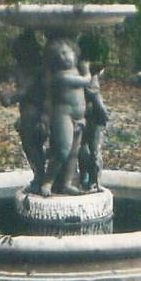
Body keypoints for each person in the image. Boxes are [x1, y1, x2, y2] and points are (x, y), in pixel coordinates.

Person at [0, 29, 48, 193]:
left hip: (37, 111)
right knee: (31, 147)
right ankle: (39, 175)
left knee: (32, 145)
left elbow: (26, 91)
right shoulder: (22, 68)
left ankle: (42, 177)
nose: (15, 55)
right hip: (27, 112)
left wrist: (10, 98)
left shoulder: (36, 69)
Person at [40, 38, 93, 197]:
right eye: (59, 55)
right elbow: (86, 81)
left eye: (65, 52)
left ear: (74, 52)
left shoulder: (74, 70)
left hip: (79, 117)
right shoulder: (61, 76)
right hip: (63, 116)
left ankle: (66, 183)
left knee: (73, 152)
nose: (63, 57)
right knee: (62, 150)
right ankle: (48, 181)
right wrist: (87, 70)